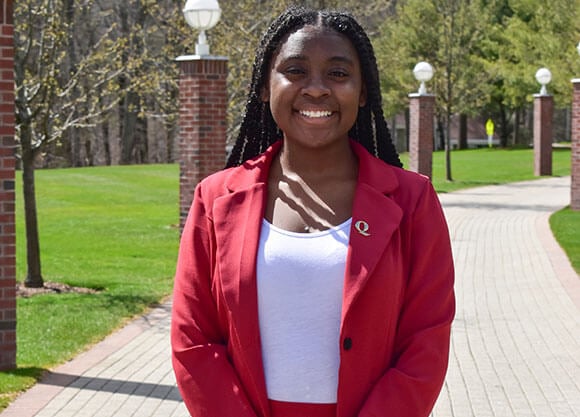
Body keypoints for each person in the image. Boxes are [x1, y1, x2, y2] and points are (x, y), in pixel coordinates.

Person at [171, 6, 455, 417]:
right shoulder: (214, 199)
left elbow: (426, 341)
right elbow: (192, 339)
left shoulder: (412, 200)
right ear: (265, 87)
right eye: (296, 70)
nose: (317, 88)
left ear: (362, 91)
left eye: (338, 73)